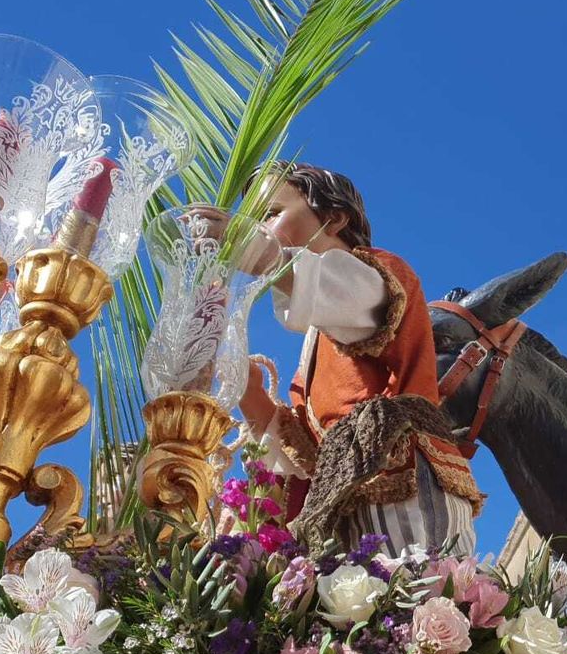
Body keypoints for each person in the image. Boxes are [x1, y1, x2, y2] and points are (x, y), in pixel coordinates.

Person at [195, 162, 481, 555]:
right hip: (346, 502)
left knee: (425, 595)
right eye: (255, 222)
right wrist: (242, 382)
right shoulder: (318, 338)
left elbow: (343, 289)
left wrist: (252, 249)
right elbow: (305, 450)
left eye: (271, 215)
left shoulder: (380, 275)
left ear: (334, 218)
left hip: (405, 486)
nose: (261, 228)